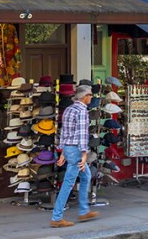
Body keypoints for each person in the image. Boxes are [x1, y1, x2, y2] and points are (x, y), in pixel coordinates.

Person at [51, 86, 97, 228]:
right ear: (84, 97)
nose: (91, 97)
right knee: (68, 183)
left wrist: (63, 152)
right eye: (90, 95)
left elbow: (64, 132)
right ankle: (57, 217)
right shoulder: (82, 111)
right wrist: (84, 155)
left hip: (69, 148)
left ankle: (84, 210)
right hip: (77, 150)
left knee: (86, 176)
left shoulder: (69, 109)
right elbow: (82, 135)